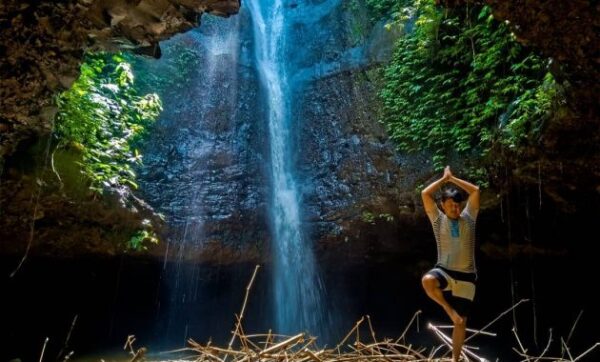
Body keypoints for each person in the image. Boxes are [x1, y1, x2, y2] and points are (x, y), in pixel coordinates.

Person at [421, 165, 480, 362]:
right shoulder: (438, 220)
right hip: (444, 271)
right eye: (450, 205)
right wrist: (443, 180)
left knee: (461, 323)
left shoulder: (469, 218)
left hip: (467, 275)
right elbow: (425, 193)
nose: (455, 209)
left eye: (457, 205)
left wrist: (453, 178)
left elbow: (476, 191)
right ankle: (449, 311)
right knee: (428, 280)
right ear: (443, 205)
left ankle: (455, 359)